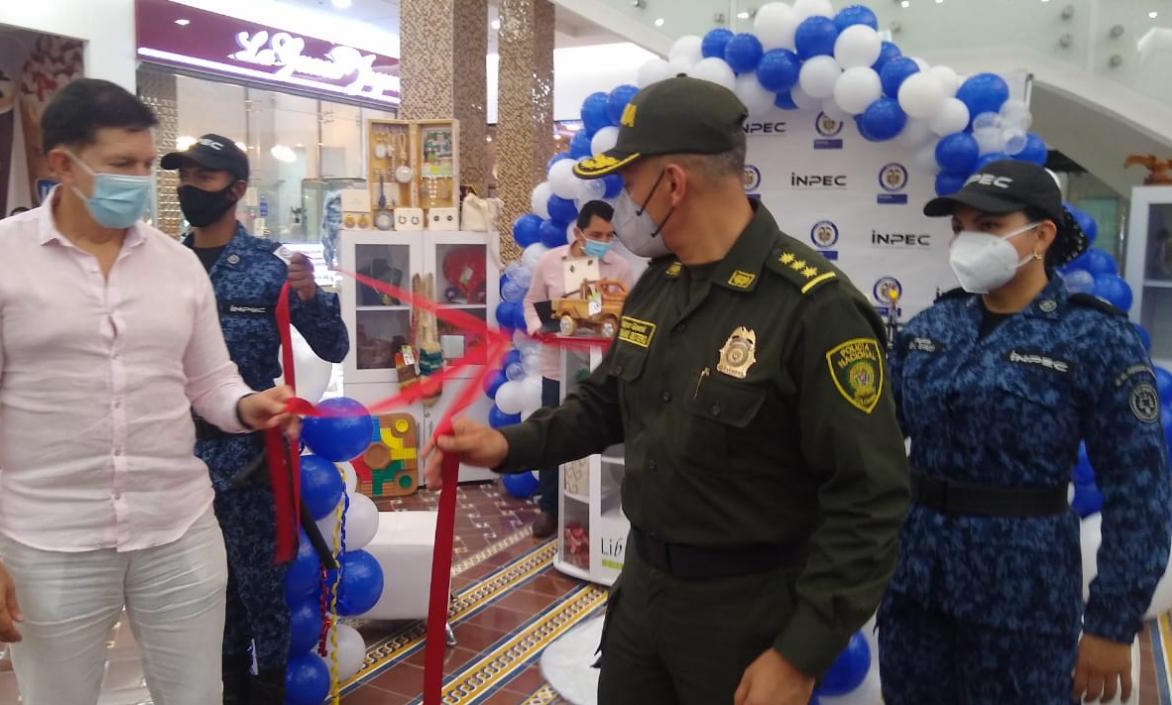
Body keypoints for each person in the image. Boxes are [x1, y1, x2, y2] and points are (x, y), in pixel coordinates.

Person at [424, 76, 910, 705]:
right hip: (643, 597)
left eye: (629, 185)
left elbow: (869, 500)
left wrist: (801, 652)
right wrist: (504, 444)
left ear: (674, 183)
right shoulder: (659, 285)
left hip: (747, 619)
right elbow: (605, 403)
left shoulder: (814, 309)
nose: (626, 207)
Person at [0, 79, 296, 705]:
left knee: (195, 694)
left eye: (148, 164)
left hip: (177, 527)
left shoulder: (175, 266)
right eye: (122, 164)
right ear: (62, 164)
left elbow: (209, 379)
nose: (142, 179)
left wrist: (244, 407)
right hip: (50, 539)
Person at [880, 160, 1172, 704]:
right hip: (917, 587)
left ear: (1041, 235)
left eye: (988, 226)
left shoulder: (1094, 336)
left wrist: (1111, 623)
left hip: (1022, 600)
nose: (968, 240)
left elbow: (1141, 492)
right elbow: (870, 442)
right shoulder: (931, 327)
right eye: (961, 227)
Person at [160, 135, 350, 704]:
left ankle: (266, 689)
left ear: (238, 188)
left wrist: (311, 295)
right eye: (184, 175)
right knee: (200, 591)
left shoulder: (268, 271)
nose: (190, 187)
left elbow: (335, 346)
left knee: (259, 588)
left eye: (206, 177)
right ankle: (225, 689)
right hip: (173, 458)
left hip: (247, 461)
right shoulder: (162, 265)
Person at [521, 199, 634, 538]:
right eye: (596, 234)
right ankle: (550, 508)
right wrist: (535, 327)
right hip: (558, 367)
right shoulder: (550, 261)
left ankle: (598, 506)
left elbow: (629, 312)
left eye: (609, 235)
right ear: (577, 232)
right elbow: (531, 303)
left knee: (599, 436)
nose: (603, 241)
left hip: (601, 370)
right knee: (553, 434)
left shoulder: (620, 268)